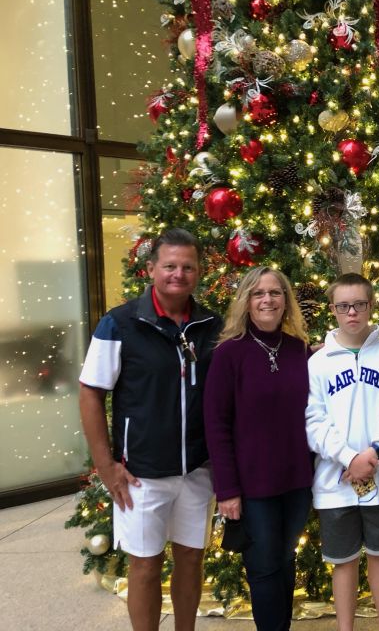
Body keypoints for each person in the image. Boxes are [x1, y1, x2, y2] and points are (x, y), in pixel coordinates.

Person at [78, 228, 222, 631]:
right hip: (140, 475)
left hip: (198, 470)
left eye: (188, 266)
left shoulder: (212, 325)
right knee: (145, 565)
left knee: (191, 558)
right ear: (152, 269)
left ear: (199, 271)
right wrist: (106, 466)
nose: (179, 274)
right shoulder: (119, 324)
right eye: (170, 265)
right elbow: (90, 393)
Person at [305, 272, 379, 631]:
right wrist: (347, 457)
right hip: (334, 480)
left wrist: (373, 453)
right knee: (344, 561)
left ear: (371, 306)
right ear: (333, 310)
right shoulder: (317, 364)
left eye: (358, 304)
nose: (351, 312)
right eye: (343, 306)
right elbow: (314, 419)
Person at [203, 266, 314, 631]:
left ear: (286, 301)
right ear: (247, 302)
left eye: (275, 292)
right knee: (263, 566)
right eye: (258, 293)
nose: (268, 300)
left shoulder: (300, 351)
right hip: (253, 486)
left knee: (285, 560)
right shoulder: (229, 354)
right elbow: (216, 425)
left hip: (297, 481)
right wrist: (227, 490)